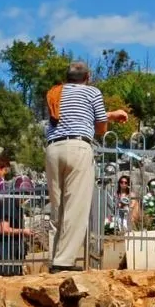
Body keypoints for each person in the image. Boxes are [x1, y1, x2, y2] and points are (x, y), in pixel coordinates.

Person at [44, 62, 129, 272]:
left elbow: (70, 117)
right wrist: (108, 118)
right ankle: (63, 262)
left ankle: (55, 258)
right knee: (76, 206)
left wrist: (108, 114)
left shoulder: (56, 92)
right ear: (87, 77)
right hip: (78, 147)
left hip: (53, 149)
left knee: (57, 208)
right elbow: (100, 126)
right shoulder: (92, 92)